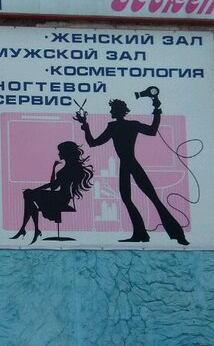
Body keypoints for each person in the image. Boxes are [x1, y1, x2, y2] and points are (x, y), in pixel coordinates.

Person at [75, 94, 188, 245]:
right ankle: (149, 234)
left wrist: (85, 125)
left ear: (118, 111)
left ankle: (162, 234)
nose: (111, 112)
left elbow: (93, 142)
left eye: (112, 109)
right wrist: (157, 110)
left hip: (128, 164)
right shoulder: (130, 125)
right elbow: (152, 130)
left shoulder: (114, 126)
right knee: (147, 198)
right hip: (130, 164)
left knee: (142, 198)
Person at [11, 140, 94, 244]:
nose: (59, 153)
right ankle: (30, 229)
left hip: (61, 198)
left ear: (66, 152)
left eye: (60, 151)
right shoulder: (67, 167)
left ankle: (30, 229)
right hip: (59, 196)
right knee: (28, 195)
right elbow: (54, 186)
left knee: (28, 194)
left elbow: (53, 186)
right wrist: (54, 169)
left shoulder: (70, 168)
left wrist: (35, 190)